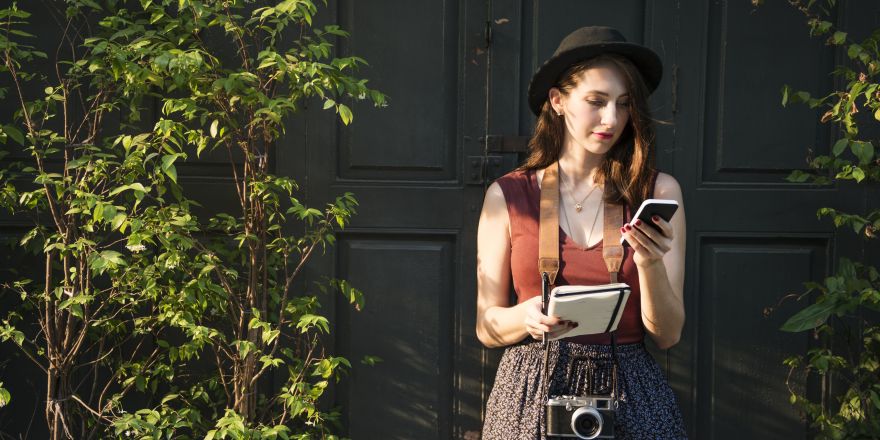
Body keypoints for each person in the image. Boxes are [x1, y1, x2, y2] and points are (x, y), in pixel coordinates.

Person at [476, 26, 688, 439]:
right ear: (558, 101)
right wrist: (527, 316)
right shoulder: (508, 195)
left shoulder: (659, 191)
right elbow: (486, 328)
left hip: (631, 392)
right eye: (596, 101)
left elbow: (667, 335)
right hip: (529, 389)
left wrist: (648, 260)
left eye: (624, 105)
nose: (612, 119)